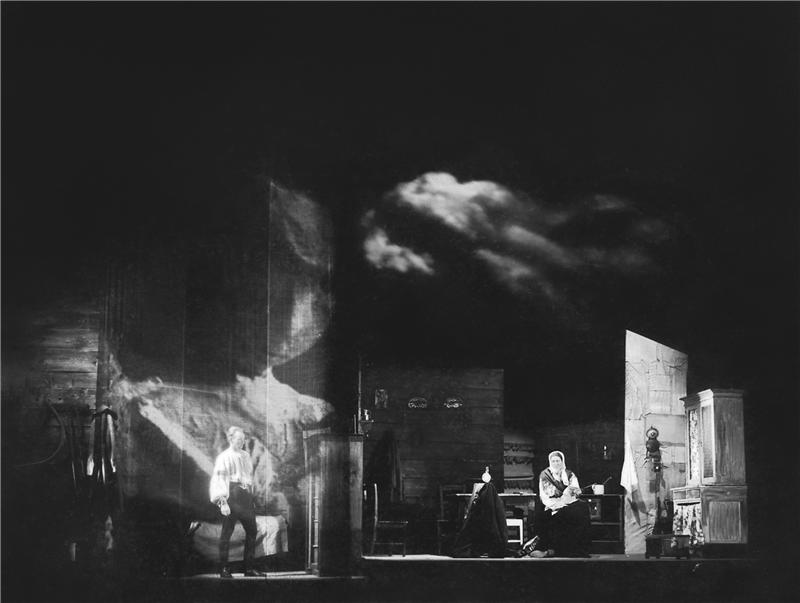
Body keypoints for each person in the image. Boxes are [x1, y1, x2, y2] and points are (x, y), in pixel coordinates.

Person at [209, 426, 266, 578]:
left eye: (243, 440)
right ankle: (224, 569)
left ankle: (249, 569)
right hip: (231, 496)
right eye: (238, 439)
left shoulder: (245, 456)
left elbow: (248, 477)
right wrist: (222, 502)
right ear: (230, 439)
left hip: (245, 497)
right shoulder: (223, 457)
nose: (241, 442)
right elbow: (219, 479)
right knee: (226, 533)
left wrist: (251, 495)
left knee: (252, 531)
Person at [530, 450, 591, 558]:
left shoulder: (569, 474)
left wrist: (567, 500)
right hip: (552, 504)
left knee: (575, 514)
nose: (556, 463)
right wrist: (558, 504)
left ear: (562, 461)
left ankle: (568, 548)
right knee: (549, 518)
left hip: (568, 503)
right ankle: (550, 548)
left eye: (558, 461)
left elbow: (575, 490)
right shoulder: (545, 474)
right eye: (553, 461)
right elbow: (546, 494)